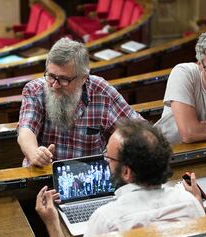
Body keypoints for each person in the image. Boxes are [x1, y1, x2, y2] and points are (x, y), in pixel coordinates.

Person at [35, 120, 206, 237]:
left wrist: (52, 223)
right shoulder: (190, 203)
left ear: (126, 172)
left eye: (109, 159)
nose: (106, 162)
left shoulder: (107, 218)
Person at [17, 37, 142, 167]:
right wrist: (34, 153)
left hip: (88, 177)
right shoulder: (34, 90)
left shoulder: (101, 91)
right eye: (51, 76)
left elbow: (138, 130)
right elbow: (26, 129)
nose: (54, 85)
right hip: (44, 174)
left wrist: (110, 155)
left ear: (83, 78)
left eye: (64, 79)